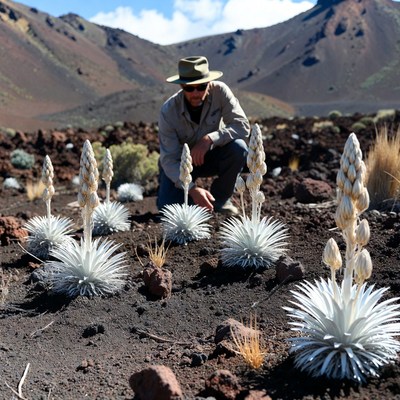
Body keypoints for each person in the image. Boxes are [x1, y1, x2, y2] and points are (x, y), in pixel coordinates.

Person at [157, 55, 250, 215]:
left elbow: (242, 126)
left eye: (201, 86)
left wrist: (210, 139)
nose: (195, 93)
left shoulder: (220, 91)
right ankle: (195, 200)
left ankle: (219, 200)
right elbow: (169, 159)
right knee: (167, 208)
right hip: (181, 165)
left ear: (209, 83)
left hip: (211, 156)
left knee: (238, 148)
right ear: (181, 87)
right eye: (189, 88)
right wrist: (192, 189)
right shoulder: (168, 111)